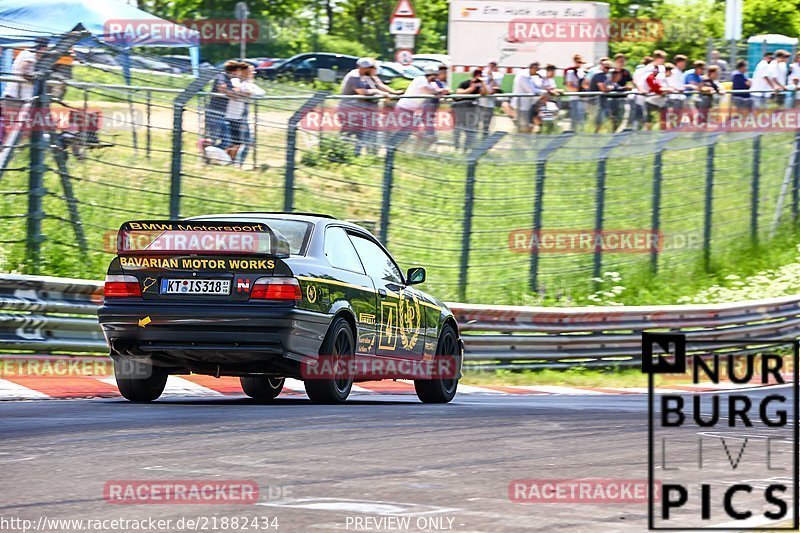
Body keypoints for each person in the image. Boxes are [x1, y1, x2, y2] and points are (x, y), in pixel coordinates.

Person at [339, 57, 391, 156]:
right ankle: (342, 153)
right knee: (349, 133)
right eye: (370, 67)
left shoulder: (367, 76)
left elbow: (379, 85)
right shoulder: (354, 76)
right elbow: (362, 92)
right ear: (363, 68)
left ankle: (357, 155)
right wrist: (379, 92)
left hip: (362, 111)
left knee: (362, 135)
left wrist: (393, 93)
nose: (372, 69)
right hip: (350, 111)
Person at [226, 63, 265, 165]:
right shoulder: (235, 81)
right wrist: (244, 92)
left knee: (242, 142)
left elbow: (261, 93)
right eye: (250, 72)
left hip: (241, 116)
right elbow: (237, 89)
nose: (252, 74)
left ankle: (237, 162)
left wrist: (249, 92)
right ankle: (231, 161)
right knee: (232, 141)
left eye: (252, 72)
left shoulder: (249, 84)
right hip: (232, 116)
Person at [395, 64, 439, 136]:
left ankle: (392, 145)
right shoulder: (420, 79)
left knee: (409, 129)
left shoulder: (430, 83)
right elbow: (430, 90)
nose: (436, 77)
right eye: (435, 75)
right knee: (406, 128)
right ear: (431, 74)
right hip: (404, 108)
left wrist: (439, 92)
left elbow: (436, 92)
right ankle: (390, 145)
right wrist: (440, 92)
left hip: (411, 109)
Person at [453, 69, 487, 149]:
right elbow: (459, 93)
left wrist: (483, 83)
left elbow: (484, 93)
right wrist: (471, 88)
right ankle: (456, 146)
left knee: (470, 129)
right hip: (460, 108)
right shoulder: (465, 83)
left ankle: (466, 148)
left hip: (472, 109)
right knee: (458, 128)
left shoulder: (480, 85)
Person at [510, 62, 540, 133]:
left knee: (525, 127)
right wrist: (545, 91)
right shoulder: (524, 76)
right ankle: (521, 142)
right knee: (523, 128)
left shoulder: (528, 75)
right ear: (532, 68)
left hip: (525, 105)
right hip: (521, 106)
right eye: (537, 69)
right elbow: (531, 90)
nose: (537, 71)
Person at [477, 59, 503, 137]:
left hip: (489, 105)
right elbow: (481, 91)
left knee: (486, 126)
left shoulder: (498, 75)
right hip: (480, 103)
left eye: (493, 65)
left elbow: (493, 90)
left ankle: (483, 141)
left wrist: (491, 78)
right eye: (490, 65)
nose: (491, 67)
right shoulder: (483, 74)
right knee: (475, 124)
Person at [563, 54, 586, 131]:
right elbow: (569, 86)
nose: (580, 64)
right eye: (578, 62)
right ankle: (573, 131)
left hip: (583, 98)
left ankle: (581, 132)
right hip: (575, 98)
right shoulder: (571, 72)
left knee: (582, 118)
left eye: (581, 62)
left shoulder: (583, 71)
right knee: (575, 117)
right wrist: (579, 90)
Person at [588, 60, 613, 132]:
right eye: (606, 67)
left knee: (606, 120)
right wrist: (610, 88)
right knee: (598, 121)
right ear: (601, 66)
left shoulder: (605, 76)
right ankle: (595, 135)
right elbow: (603, 88)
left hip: (602, 102)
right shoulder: (599, 75)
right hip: (597, 102)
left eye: (609, 68)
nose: (607, 69)